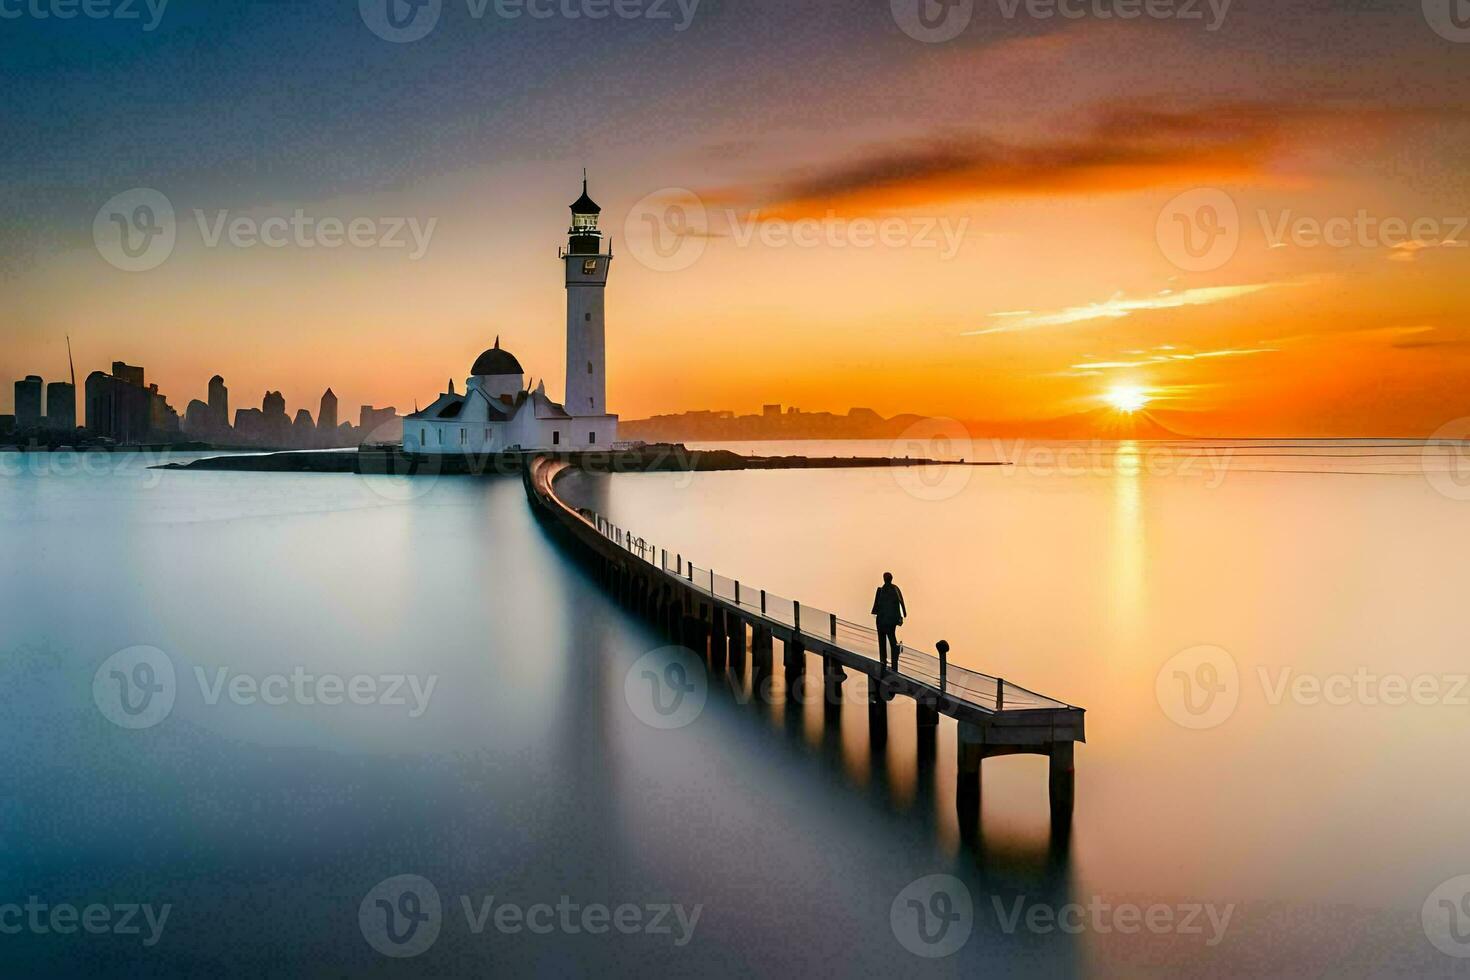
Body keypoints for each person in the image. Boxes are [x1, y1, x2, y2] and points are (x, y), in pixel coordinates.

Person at [872, 572, 907, 672]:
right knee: (889, 640)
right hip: (886, 620)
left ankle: (888, 660)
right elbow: (901, 604)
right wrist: (902, 615)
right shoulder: (889, 589)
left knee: (888, 640)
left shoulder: (888, 589)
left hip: (886, 620)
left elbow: (900, 603)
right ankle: (885, 660)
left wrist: (902, 615)